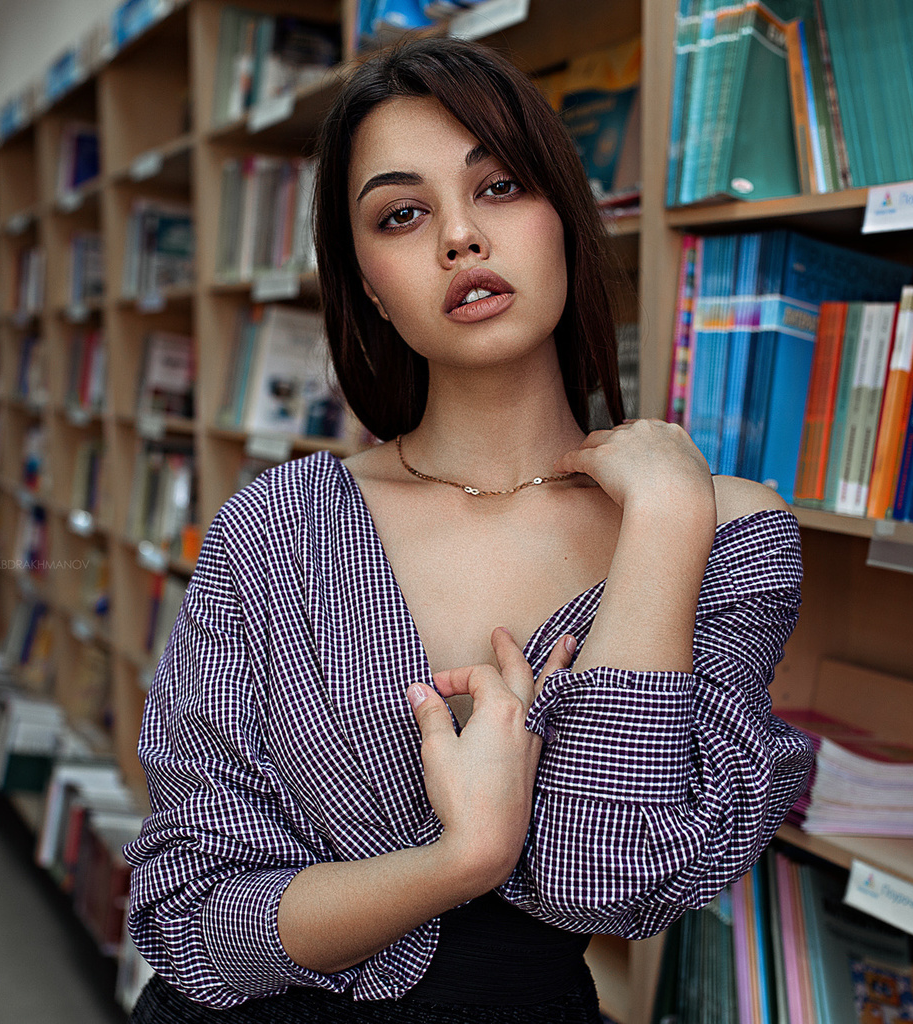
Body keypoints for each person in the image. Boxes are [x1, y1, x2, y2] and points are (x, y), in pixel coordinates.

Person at [124, 35, 812, 1023]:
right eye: (402, 214)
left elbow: (608, 877)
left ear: (564, 220)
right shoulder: (273, 531)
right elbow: (192, 918)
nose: (457, 236)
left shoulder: (722, 533)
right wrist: (464, 860)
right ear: (365, 281)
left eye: (497, 188)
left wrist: (662, 518)